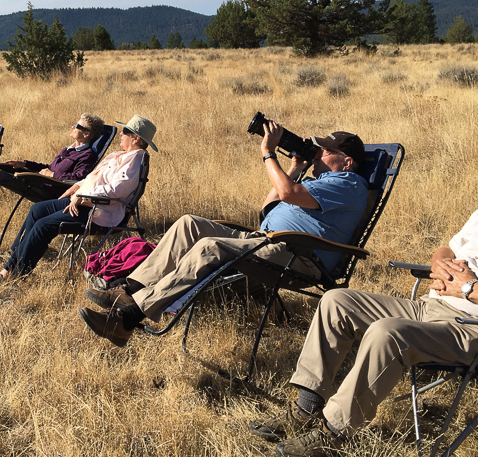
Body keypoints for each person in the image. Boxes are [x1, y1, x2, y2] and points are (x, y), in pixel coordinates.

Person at [248, 141, 478, 457]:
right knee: (338, 301)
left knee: (389, 333)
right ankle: (306, 406)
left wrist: (470, 289)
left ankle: (334, 432)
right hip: (434, 309)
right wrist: (439, 262)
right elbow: (448, 250)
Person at [79, 122, 369, 347]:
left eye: (326, 151)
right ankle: (130, 291)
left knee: (209, 247)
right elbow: (269, 206)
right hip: (265, 239)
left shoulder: (350, 183)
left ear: (346, 162)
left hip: (300, 256)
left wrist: (269, 154)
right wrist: (294, 168)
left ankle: (127, 321)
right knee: (189, 224)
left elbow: (286, 193)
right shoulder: (323, 180)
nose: (318, 153)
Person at [0, 114, 157, 288]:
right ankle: (18, 257)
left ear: (136, 139)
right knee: (37, 210)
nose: (121, 134)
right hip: (82, 201)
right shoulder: (119, 155)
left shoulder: (135, 160)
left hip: (98, 211)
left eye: (125, 132)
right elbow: (93, 176)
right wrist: (75, 187)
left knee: (44, 225)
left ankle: (11, 273)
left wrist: (82, 196)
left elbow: (115, 190)